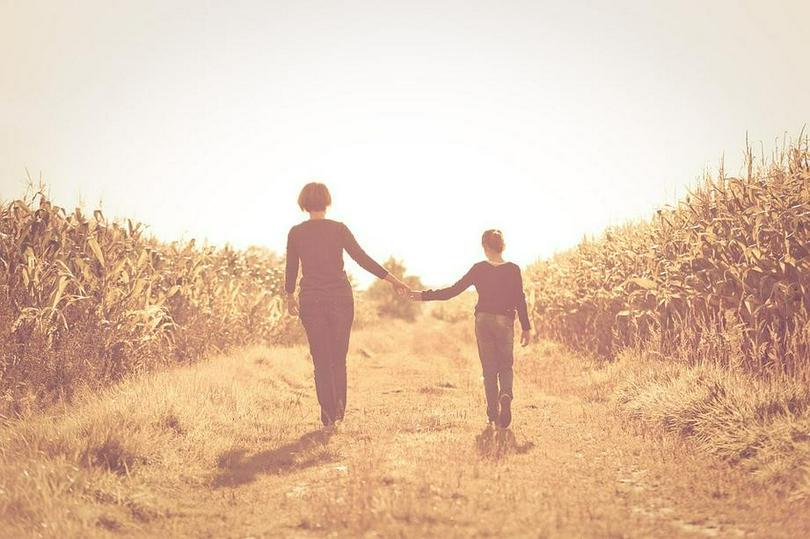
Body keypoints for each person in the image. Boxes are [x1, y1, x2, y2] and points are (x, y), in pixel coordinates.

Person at [285, 182, 410, 427]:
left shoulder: (296, 232)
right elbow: (362, 258)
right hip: (340, 299)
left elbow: (291, 268)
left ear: (303, 203)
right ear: (327, 201)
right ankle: (339, 411)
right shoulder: (338, 229)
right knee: (338, 358)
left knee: (320, 358)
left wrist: (289, 295)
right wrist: (392, 279)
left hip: (312, 300)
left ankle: (328, 415)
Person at [409, 230, 531, 428]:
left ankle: (493, 414)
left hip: (483, 319)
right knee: (505, 365)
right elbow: (520, 298)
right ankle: (506, 394)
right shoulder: (513, 269)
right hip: (504, 320)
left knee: (489, 368)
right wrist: (526, 327)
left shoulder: (479, 268)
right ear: (502, 246)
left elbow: (452, 291)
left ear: (485, 246)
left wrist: (423, 296)